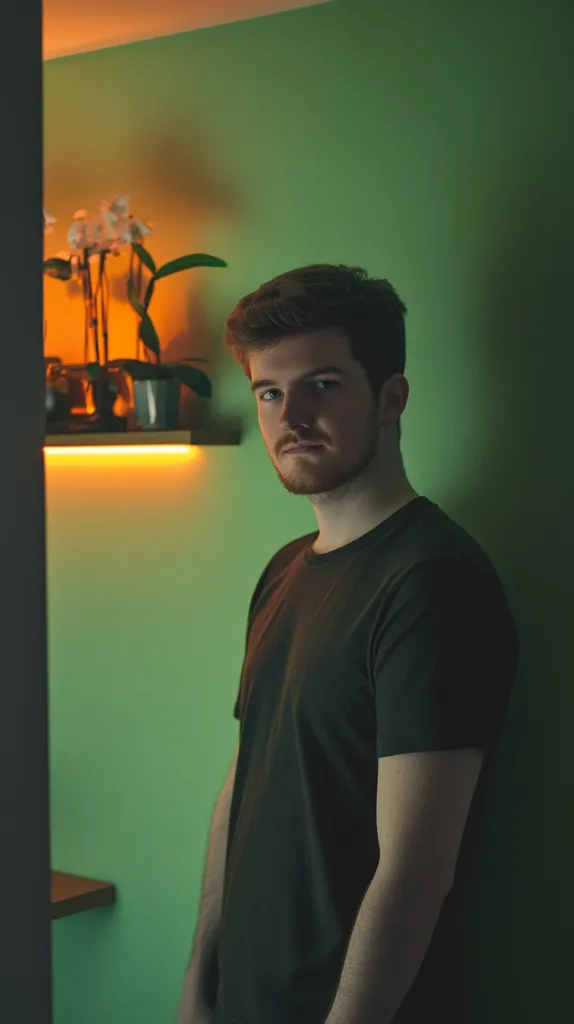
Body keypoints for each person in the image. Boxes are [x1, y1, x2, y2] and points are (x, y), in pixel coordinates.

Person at [176, 264, 519, 1024]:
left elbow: (415, 873)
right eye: (270, 392)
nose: (291, 416)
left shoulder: (431, 583)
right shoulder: (284, 570)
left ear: (391, 397)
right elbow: (248, 781)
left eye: (322, 385)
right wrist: (203, 975)